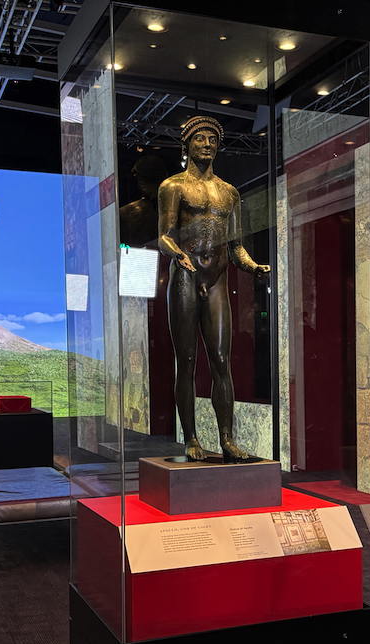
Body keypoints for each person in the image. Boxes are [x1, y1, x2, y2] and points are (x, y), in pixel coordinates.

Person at [157, 116, 270, 462]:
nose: (207, 145)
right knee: (187, 361)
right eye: (200, 139)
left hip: (216, 280)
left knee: (222, 361)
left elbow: (235, 246)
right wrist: (177, 254)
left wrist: (252, 266)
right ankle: (191, 437)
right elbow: (164, 235)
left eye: (212, 140)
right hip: (186, 277)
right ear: (187, 145)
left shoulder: (229, 193)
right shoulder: (172, 187)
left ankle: (227, 439)